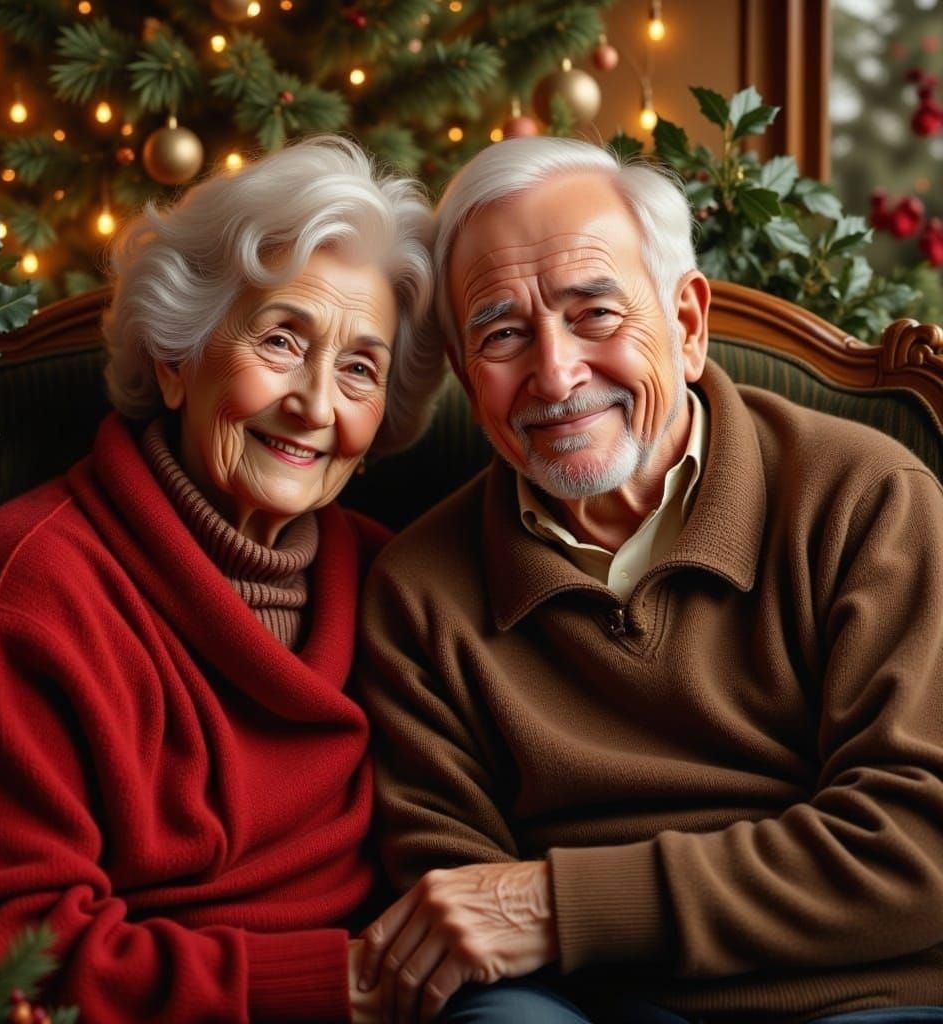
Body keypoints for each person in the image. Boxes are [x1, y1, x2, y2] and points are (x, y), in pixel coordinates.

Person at [357, 136, 943, 1024]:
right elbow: (457, 912)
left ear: (688, 323)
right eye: (503, 332)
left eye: (595, 314)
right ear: (469, 382)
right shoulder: (419, 589)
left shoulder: (869, 500)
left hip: (858, 1001)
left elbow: (920, 844)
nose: (555, 375)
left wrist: (562, 905)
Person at [0, 135, 442, 1022]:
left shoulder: (400, 579)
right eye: (281, 339)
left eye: (361, 368)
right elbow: (8, 952)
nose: (316, 405)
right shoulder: (33, 586)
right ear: (174, 355)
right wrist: (336, 986)